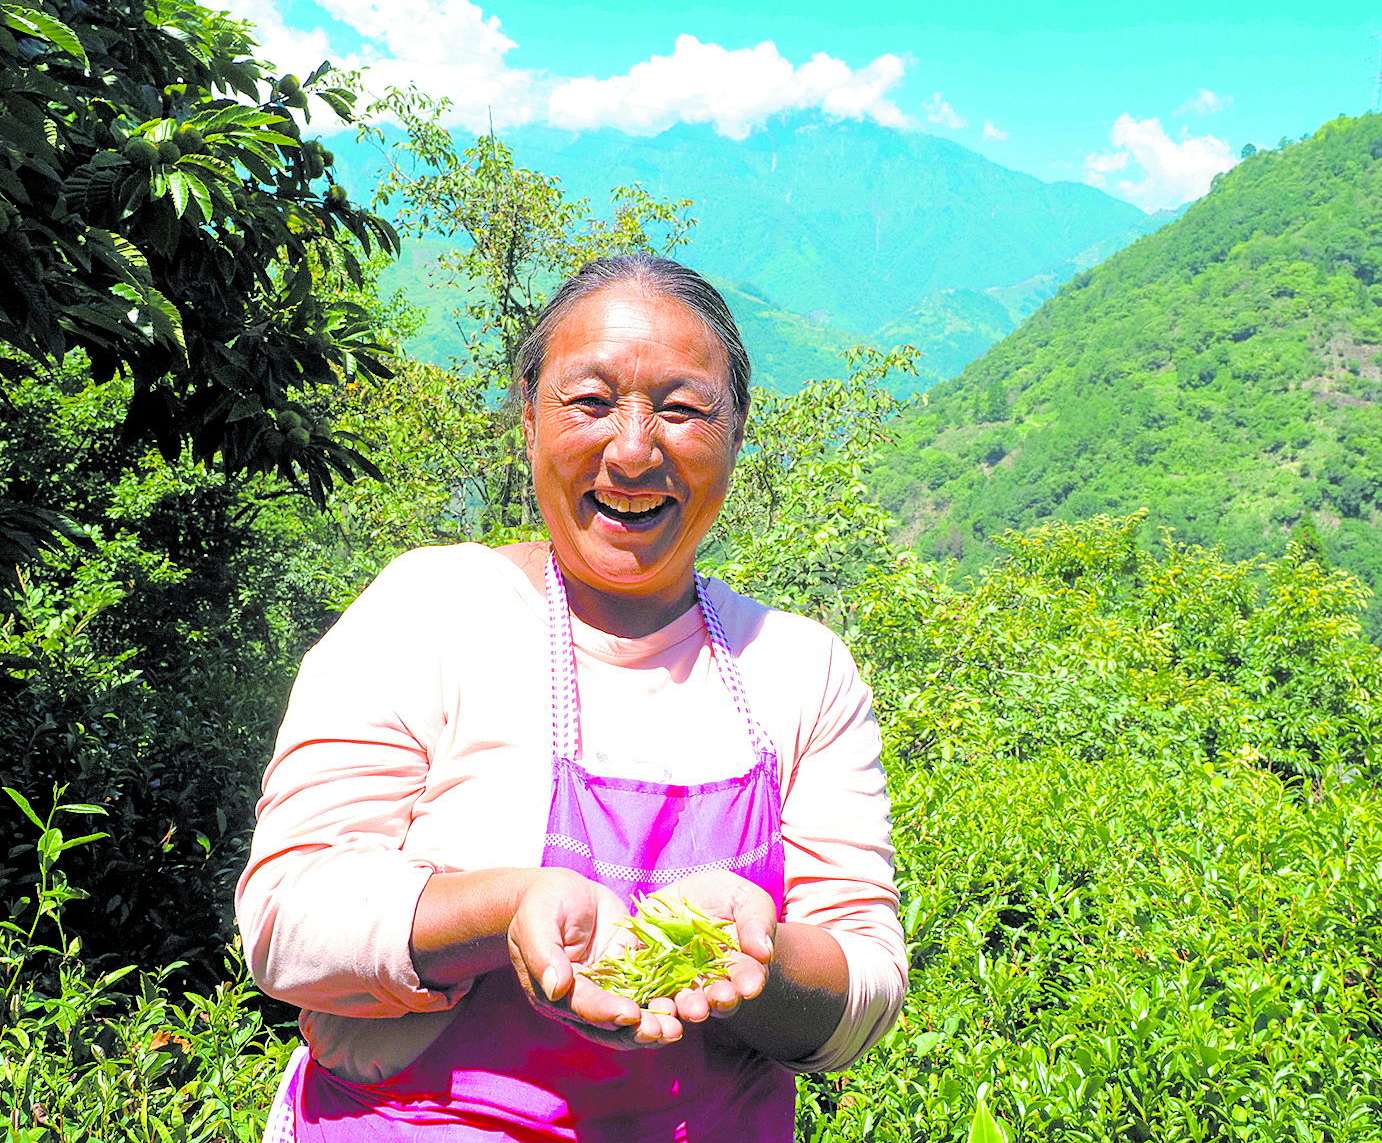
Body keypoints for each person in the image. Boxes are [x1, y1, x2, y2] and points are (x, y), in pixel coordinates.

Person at [237, 254, 907, 1143]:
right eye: (590, 401)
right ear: (528, 419)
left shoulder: (800, 669)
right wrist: (504, 909)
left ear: (736, 434)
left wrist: (755, 957)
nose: (632, 450)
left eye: (681, 408)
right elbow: (286, 919)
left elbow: (863, 984)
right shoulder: (432, 611)